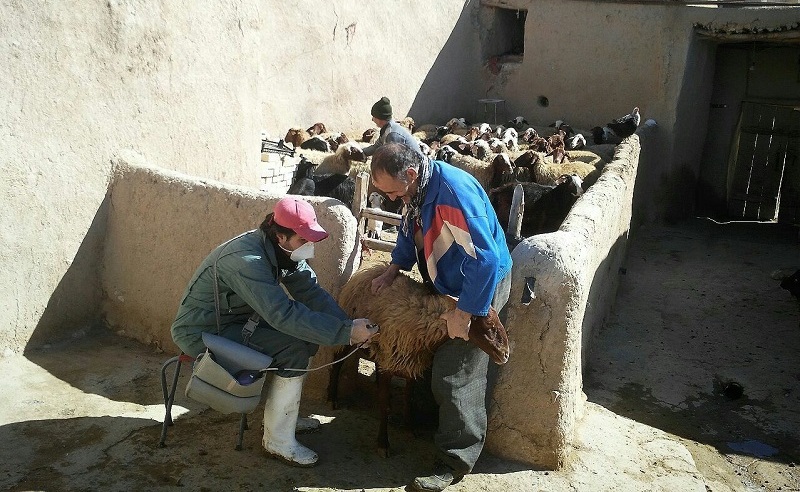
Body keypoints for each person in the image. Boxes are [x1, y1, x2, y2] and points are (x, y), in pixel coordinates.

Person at [171, 196, 378, 468]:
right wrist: (347, 333)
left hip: (235, 322)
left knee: (304, 340)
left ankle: (283, 418)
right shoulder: (247, 260)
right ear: (281, 236)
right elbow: (282, 315)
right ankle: (278, 440)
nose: (309, 247)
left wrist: (348, 325)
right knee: (292, 348)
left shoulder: (280, 250)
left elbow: (311, 292)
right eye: (303, 241)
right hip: (202, 331)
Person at [369, 143, 512, 491]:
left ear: (412, 175)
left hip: (479, 288)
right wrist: (394, 268)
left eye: (391, 191)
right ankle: (426, 424)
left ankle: (454, 461)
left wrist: (466, 313)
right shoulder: (416, 194)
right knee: (430, 356)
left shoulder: (452, 194)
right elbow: (410, 231)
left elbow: (486, 260)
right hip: (449, 282)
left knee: (454, 374)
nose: (389, 199)